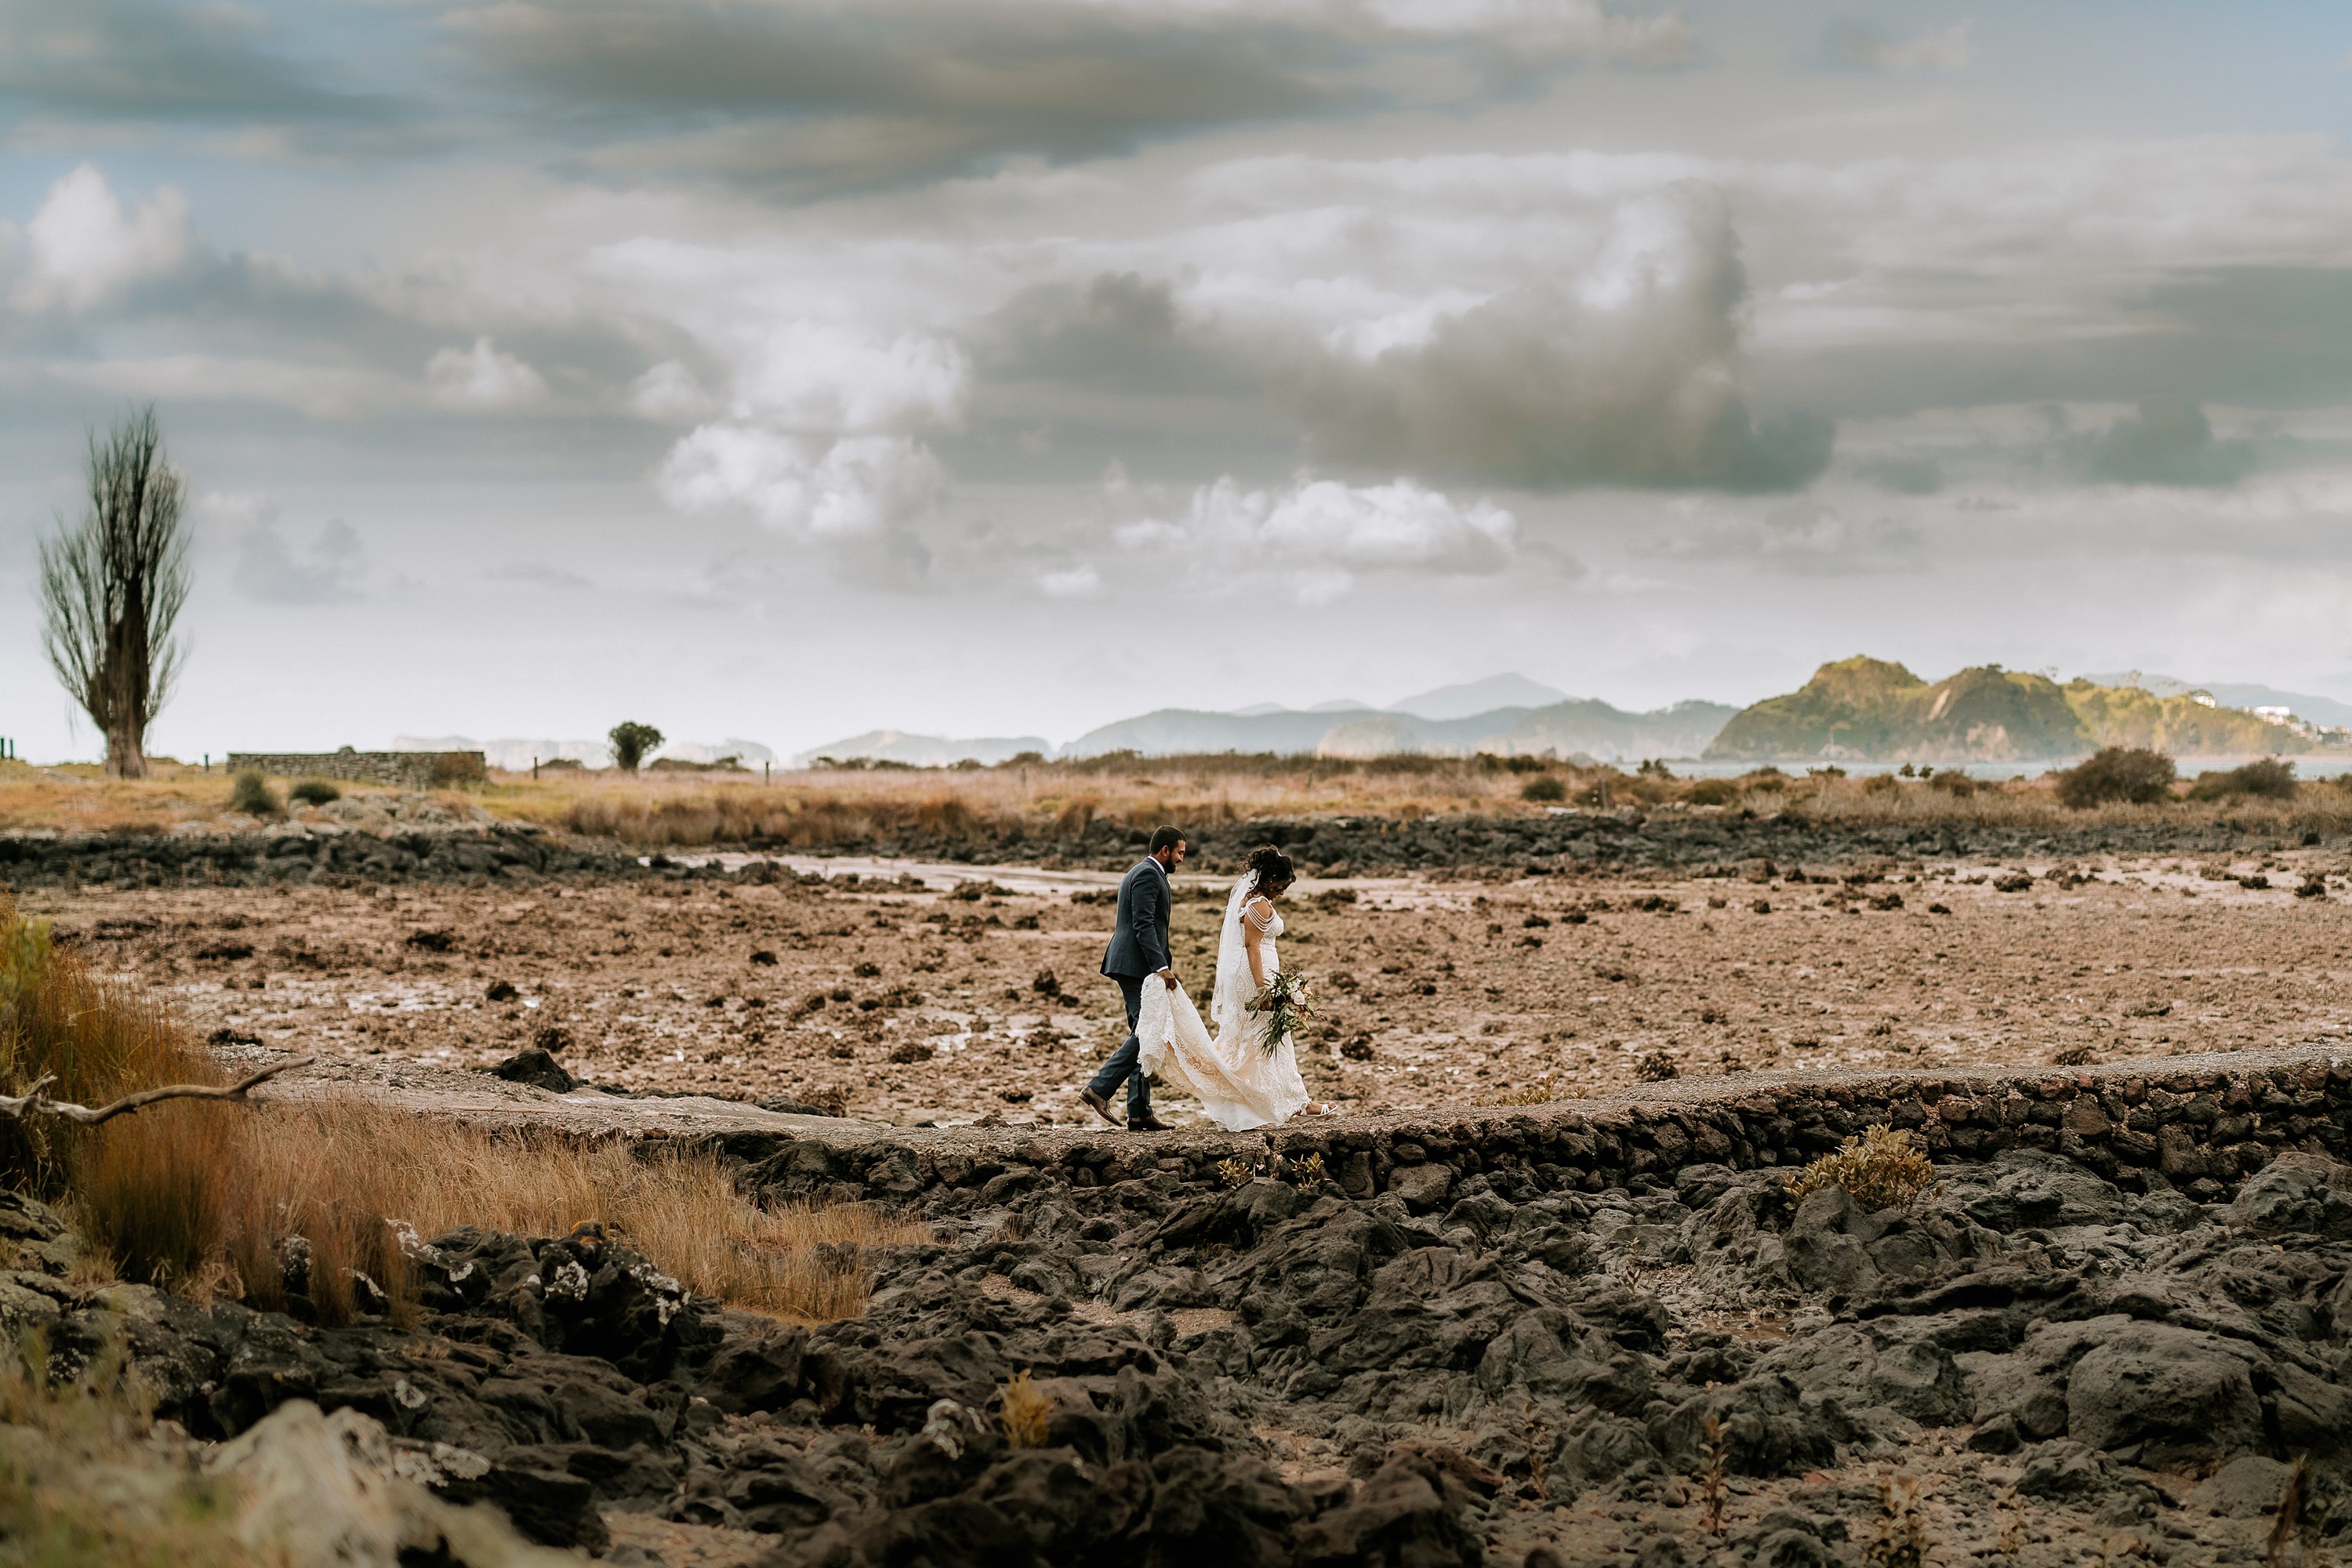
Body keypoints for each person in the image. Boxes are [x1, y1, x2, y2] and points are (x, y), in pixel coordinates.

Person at [1134, 844, 1332, 1131]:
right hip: (1254, 975)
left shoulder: (1251, 900)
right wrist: (1264, 988)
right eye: (1282, 885)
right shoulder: (1258, 905)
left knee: (1252, 1037)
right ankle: (1297, 1103)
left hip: (1251, 972)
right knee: (1263, 1035)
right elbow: (1252, 946)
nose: (1282, 892)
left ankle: (1279, 1102)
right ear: (1271, 877)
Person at [1081, 825, 1185, 1131]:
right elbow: (1142, 925)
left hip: (1135, 964)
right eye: (1179, 852)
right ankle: (1099, 1088)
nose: (1181, 859)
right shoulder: (1146, 874)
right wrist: (1160, 967)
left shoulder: (1146, 873)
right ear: (1164, 850)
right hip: (1135, 966)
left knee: (1145, 1031)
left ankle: (1139, 1112)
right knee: (1148, 1032)